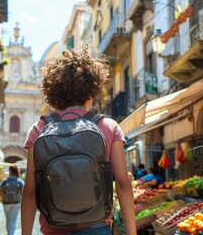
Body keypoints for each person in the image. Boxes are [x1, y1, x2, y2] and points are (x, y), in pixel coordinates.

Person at [21, 45, 136, 235]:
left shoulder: (39, 129)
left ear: (54, 94)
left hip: (54, 228)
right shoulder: (108, 126)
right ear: (91, 92)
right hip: (97, 227)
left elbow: (30, 191)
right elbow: (123, 183)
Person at [0, 165, 24, 235]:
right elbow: (23, 193)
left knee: (8, 220)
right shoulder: (20, 181)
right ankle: (11, 233)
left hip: (6, 202)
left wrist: (1, 198)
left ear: (9, 171)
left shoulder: (4, 180)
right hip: (16, 203)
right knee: (13, 220)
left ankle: (9, 233)